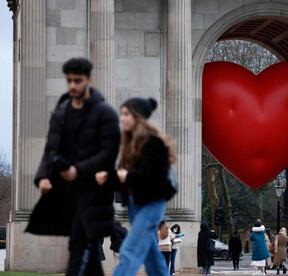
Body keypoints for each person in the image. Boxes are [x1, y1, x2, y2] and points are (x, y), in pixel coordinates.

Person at [25, 58, 120, 276]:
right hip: (67, 192)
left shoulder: (105, 114)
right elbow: (51, 149)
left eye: (78, 80)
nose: (73, 86)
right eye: (69, 81)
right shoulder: (62, 112)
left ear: (89, 80)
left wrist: (78, 169)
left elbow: (108, 154)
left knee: (79, 246)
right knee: (86, 252)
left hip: (94, 192)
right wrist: (43, 177)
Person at [96, 97, 176, 276]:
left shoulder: (155, 144)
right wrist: (108, 177)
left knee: (130, 251)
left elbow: (155, 178)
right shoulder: (128, 145)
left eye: (126, 114)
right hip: (135, 205)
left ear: (137, 117)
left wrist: (126, 176)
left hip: (151, 204)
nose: (122, 118)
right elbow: (123, 179)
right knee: (152, 256)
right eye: (121, 114)